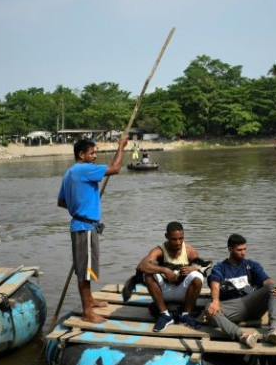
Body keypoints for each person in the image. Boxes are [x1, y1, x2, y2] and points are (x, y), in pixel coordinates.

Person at [57, 136, 129, 323]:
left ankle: (90, 300)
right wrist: (121, 146)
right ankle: (87, 312)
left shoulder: (69, 173)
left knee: (85, 267)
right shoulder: (84, 169)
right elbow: (115, 169)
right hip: (84, 227)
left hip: (81, 225)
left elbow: (62, 202)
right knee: (85, 271)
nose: (95, 156)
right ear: (81, 155)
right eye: (92, 153)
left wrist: (81, 205)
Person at [206, 233, 276, 347]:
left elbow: (266, 280)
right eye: (239, 250)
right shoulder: (220, 267)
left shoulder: (251, 265)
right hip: (233, 308)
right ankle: (242, 335)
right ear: (230, 249)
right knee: (209, 308)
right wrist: (215, 301)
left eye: (245, 249)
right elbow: (214, 284)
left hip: (251, 303)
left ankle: (273, 330)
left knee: (273, 287)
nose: (243, 253)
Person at [135, 221, 209, 332]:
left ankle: (186, 314)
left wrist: (194, 268)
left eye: (181, 238)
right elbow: (141, 266)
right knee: (148, 275)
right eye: (174, 239)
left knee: (197, 276)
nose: (178, 242)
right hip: (164, 291)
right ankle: (164, 314)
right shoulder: (159, 250)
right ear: (167, 236)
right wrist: (164, 270)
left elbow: (204, 271)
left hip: (183, 292)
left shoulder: (190, 251)